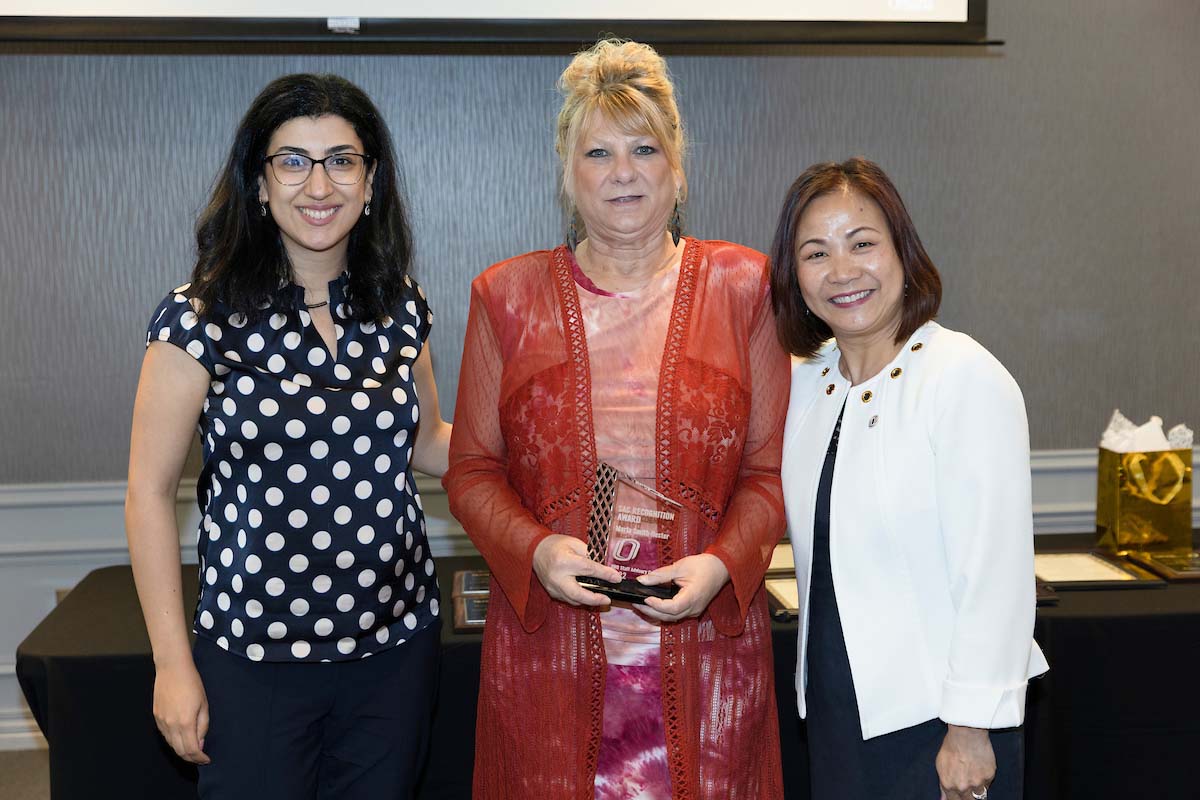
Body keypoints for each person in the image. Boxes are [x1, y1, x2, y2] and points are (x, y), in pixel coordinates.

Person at [443, 38, 790, 799]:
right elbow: (470, 471)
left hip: (708, 667)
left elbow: (769, 473)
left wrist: (723, 566)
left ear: (678, 165)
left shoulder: (743, 287)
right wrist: (536, 552)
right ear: (568, 173)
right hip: (550, 666)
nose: (624, 173)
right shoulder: (505, 297)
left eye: (644, 148)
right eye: (598, 153)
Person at [125, 73, 451, 800]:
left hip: (395, 650)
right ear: (260, 184)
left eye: (342, 159)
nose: (319, 184)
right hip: (253, 658)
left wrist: (550, 453)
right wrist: (173, 665)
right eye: (293, 161)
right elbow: (147, 496)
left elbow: (429, 442)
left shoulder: (403, 306)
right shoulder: (196, 318)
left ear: (371, 183)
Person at [769, 157, 1049, 800]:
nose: (842, 271)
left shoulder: (962, 378)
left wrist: (971, 729)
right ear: (795, 276)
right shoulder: (807, 381)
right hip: (839, 711)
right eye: (816, 253)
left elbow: (996, 573)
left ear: (902, 251)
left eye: (862, 244)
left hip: (941, 723)